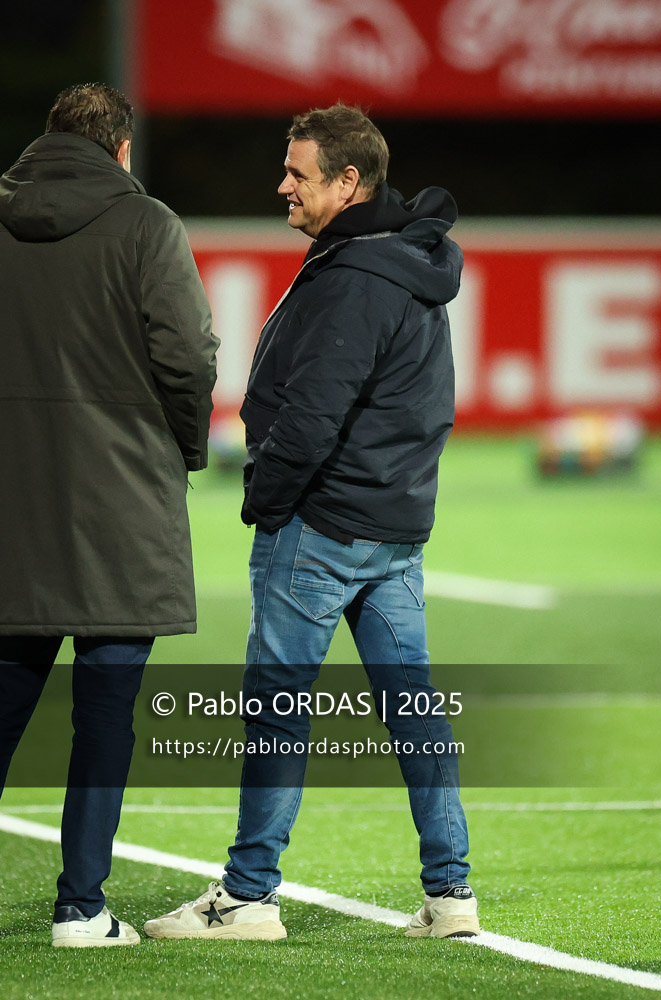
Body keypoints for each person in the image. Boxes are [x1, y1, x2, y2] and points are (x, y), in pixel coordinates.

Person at [145, 103, 479, 943]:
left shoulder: (356, 277)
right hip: (392, 528)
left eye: (298, 173)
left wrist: (265, 498)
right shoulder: (404, 263)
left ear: (348, 182)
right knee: (414, 712)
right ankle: (451, 896)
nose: (282, 185)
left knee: (277, 708)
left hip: (323, 524)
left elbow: (313, 412)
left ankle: (249, 897)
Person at [0, 82, 219, 947]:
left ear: (46, 140)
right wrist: (182, 450)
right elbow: (186, 356)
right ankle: (81, 908)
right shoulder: (146, 224)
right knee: (105, 716)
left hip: (12, 503)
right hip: (120, 502)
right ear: (120, 149)